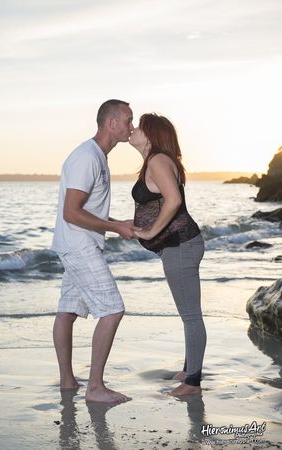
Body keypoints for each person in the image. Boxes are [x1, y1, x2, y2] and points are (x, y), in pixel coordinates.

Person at [52, 99, 140, 403]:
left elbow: (87, 210)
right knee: (113, 309)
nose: (132, 127)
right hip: (79, 246)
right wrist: (115, 229)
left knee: (67, 313)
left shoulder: (97, 156)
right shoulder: (87, 157)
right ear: (111, 123)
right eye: (129, 120)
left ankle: (68, 382)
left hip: (78, 244)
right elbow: (71, 212)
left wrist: (120, 223)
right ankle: (95, 388)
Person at [129, 113, 206, 396]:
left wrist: (149, 233)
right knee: (189, 314)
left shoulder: (158, 160)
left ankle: (192, 384)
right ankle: (190, 370)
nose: (132, 130)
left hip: (180, 246)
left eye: (138, 126)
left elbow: (173, 201)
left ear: (151, 134)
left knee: (190, 316)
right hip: (180, 245)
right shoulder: (157, 160)